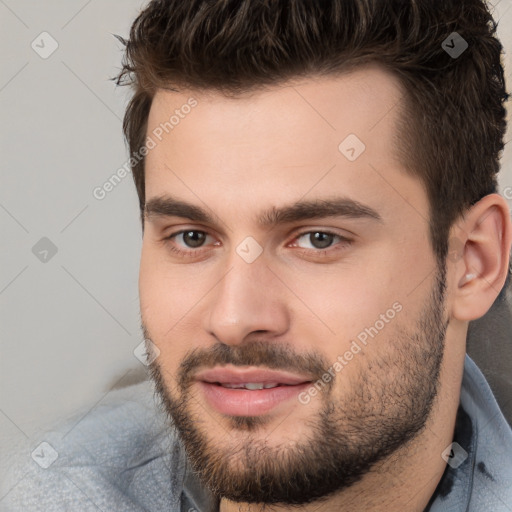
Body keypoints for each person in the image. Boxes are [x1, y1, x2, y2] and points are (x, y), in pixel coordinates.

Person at [3, 1, 512, 510]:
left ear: (473, 262)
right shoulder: (53, 490)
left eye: (318, 239)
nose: (233, 320)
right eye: (192, 237)